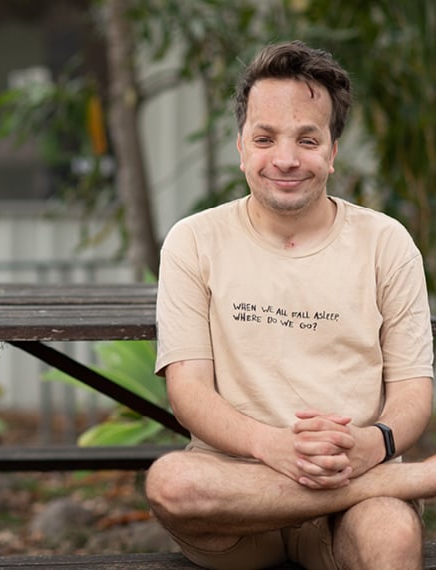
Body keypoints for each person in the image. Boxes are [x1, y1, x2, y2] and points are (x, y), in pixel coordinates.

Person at [145, 40, 435, 570]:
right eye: (265, 138)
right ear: (240, 146)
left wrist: (375, 444)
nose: (285, 158)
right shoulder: (194, 241)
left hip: (360, 481)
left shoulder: (386, 242)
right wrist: (270, 446)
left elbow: (414, 388)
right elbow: (188, 390)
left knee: (392, 536)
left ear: (332, 151)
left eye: (307, 138)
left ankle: (386, 485)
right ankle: (413, 478)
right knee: (172, 482)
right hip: (239, 484)